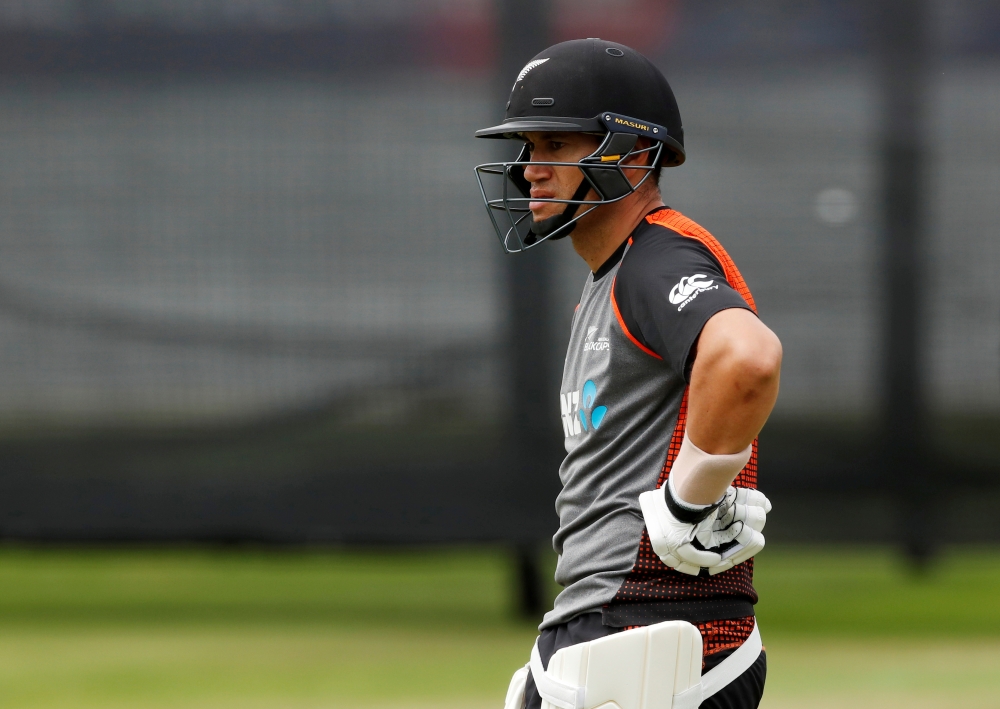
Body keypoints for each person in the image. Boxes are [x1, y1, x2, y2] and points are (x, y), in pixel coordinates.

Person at [475, 39, 782, 709]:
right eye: (530, 145)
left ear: (635, 155)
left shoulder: (654, 260)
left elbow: (748, 358)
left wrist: (687, 500)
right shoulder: (613, 276)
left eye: (557, 145)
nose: (531, 168)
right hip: (612, 630)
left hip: (647, 638)